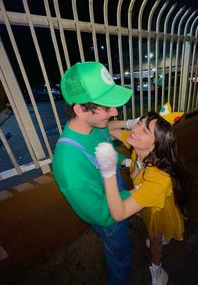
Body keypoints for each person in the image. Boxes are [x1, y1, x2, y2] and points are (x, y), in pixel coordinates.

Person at [52, 61, 133, 285]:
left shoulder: (95, 127)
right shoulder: (68, 161)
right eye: (106, 107)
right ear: (80, 109)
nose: (115, 111)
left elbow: (107, 144)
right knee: (120, 254)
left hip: (118, 195)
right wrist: (142, 193)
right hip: (109, 215)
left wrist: (127, 162)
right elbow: (100, 213)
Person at [95, 103, 190, 285]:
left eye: (146, 130)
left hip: (158, 209)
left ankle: (157, 270)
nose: (136, 129)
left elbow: (119, 213)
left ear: (155, 146)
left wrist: (107, 172)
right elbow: (106, 127)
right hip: (145, 200)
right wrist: (129, 123)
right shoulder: (136, 142)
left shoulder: (158, 179)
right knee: (153, 230)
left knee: (154, 239)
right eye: (140, 122)